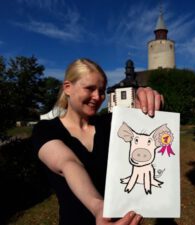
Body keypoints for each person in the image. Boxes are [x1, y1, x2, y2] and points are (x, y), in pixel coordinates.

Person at [32, 58, 163, 225]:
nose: (98, 97)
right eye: (90, 89)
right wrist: (99, 208)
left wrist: (149, 100)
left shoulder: (111, 125)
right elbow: (68, 163)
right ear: (68, 88)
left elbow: (146, 123)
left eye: (101, 91)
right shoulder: (46, 129)